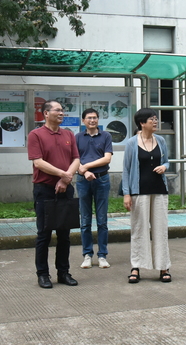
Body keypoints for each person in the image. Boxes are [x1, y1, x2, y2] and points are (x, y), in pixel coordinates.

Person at [28, 100, 80, 289]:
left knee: (64, 234)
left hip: (66, 189)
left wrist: (66, 179)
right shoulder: (36, 135)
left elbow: (76, 158)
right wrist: (62, 175)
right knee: (44, 234)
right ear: (46, 113)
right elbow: (38, 162)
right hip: (44, 189)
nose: (61, 113)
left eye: (62, 110)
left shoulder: (68, 134)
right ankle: (43, 274)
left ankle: (63, 272)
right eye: (57, 110)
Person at [122, 108, 171, 284]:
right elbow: (126, 170)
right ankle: (136, 266)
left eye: (156, 119)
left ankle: (163, 267)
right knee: (139, 229)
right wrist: (127, 194)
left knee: (160, 229)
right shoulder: (131, 143)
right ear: (142, 123)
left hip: (159, 190)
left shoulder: (161, 140)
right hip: (138, 191)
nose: (155, 122)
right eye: (152, 119)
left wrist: (164, 167)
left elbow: (166, 161)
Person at [75, 108, 113, 269]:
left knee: (102, 220)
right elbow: (74, 159)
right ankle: (87, 255)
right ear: (83, 120)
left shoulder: (106, 136)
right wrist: (84, 172)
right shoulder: (77, 137)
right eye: (89, 118)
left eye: (95, 117)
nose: (92, 120)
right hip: (82, 181)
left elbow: (107, 158)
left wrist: (86, 167)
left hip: (102, 179)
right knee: (85, 220)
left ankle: (102, 255)